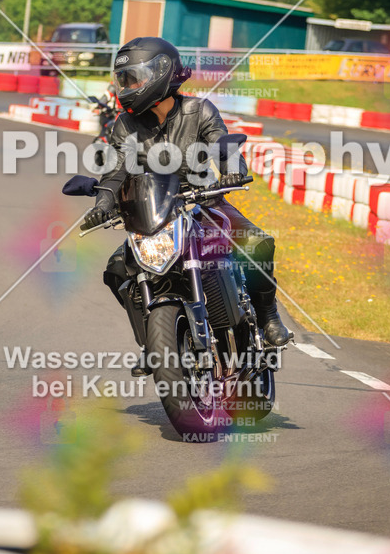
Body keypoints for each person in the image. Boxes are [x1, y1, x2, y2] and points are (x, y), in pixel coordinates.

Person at [81, 37, 293, 364]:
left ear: (161, 73)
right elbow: (115, 171)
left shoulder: (199, 110)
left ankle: (268, 318)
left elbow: (225, 147)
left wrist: (232, 171)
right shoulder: (125, 125)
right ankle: (153, 340)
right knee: (118, 269)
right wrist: (102, 204)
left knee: (256, 243)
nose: (127, 87)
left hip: (204, 202)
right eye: (123, 80)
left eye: (133, 79)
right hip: (155, 211)